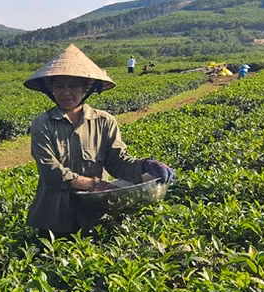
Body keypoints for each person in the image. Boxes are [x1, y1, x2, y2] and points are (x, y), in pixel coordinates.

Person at [24, 44, 175, 239]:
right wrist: (95, 185)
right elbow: (50, 172)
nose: (66, 92)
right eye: (60, 86)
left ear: (86, 88)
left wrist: (144, 166)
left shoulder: (104, 121)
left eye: (73, 86)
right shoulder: (42, 124)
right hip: (54, 216)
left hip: (95, 214)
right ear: (51, 90)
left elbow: (118, 162)